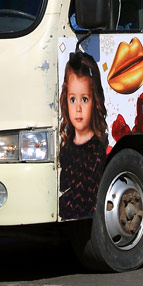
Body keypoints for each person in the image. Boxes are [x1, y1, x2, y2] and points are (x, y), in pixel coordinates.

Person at [58, 51, 108, 220]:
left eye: (84, 99)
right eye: (73, 100)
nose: (78, 108)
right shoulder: (65, 148)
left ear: (96, 101)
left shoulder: (97, 150)